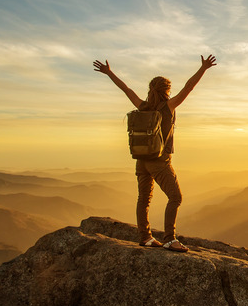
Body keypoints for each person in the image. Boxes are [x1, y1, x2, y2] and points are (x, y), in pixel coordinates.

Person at [93, 55, 217, 252]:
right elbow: (188, 87)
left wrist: (109, 73)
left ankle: (146, 237)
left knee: (143, 199)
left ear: (151, 89)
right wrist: (203, 68)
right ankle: (170, 238)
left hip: (141, 160)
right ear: (166, 90)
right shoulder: (168, 107)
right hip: (160, 161)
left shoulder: (143, 106)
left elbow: (126, 89)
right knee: (175, 197)